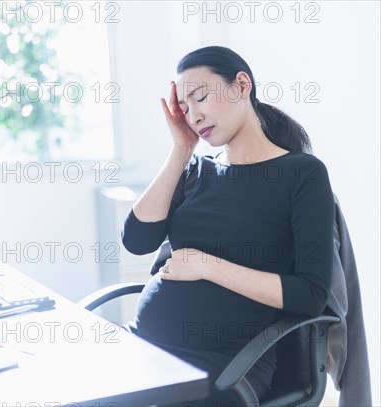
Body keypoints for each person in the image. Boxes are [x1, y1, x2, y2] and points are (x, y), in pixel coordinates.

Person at [121, 46, 335, 406]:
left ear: (240, 85)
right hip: (147, 350)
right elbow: (137, 239)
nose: (194, 115)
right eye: (185, 108)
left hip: (224, 367)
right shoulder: (195, 170)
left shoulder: (302, 174)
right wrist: (180, 150)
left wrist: (206, 265)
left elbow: (311, 296)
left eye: (201, 97)